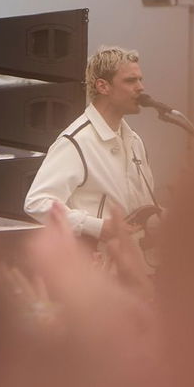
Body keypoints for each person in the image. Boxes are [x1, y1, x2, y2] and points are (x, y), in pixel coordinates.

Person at [24, 46, 159, 246]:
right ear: (103, 86)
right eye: (131, 80)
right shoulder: (76, 141)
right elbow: (37, 202)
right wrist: (97, 227)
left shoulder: (135, 141)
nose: (141, 87)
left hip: (136, 257)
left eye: (140, 79)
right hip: (97, 259)